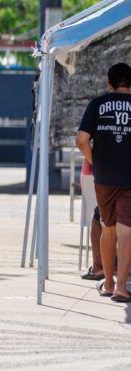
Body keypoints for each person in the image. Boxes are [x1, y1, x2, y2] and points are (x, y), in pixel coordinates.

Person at [75, 63, 131, 302]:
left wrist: (95, 161)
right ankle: (121, 287)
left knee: (108, 229)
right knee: (127, 231)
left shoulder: (97, 104)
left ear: (109, 84)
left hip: (104, 177)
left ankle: (107, 283)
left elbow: (81, 140)